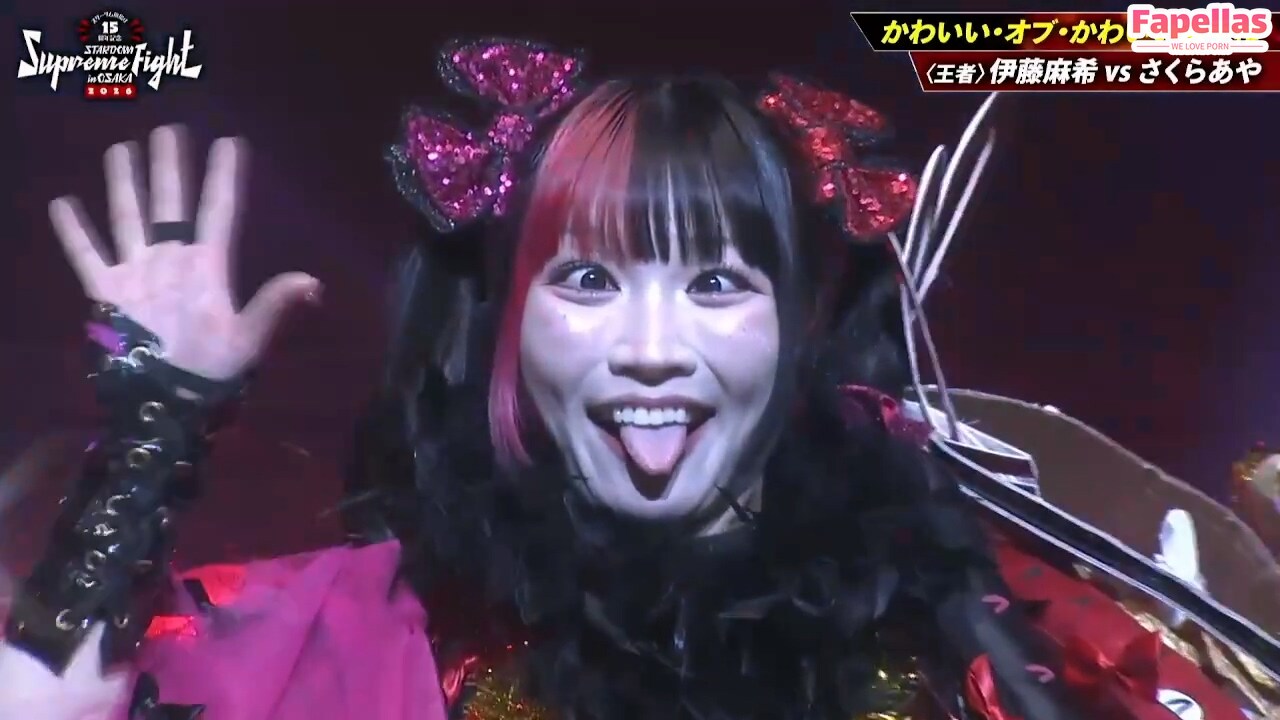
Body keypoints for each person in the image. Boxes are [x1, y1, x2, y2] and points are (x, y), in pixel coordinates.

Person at [0, 39, 1275, 720]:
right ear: (506, 324)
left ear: (799, 328)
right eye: (588, 280)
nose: (650, 346)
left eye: (716, 282)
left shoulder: (978, 632)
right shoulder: (361, 628)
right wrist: (158, 427)